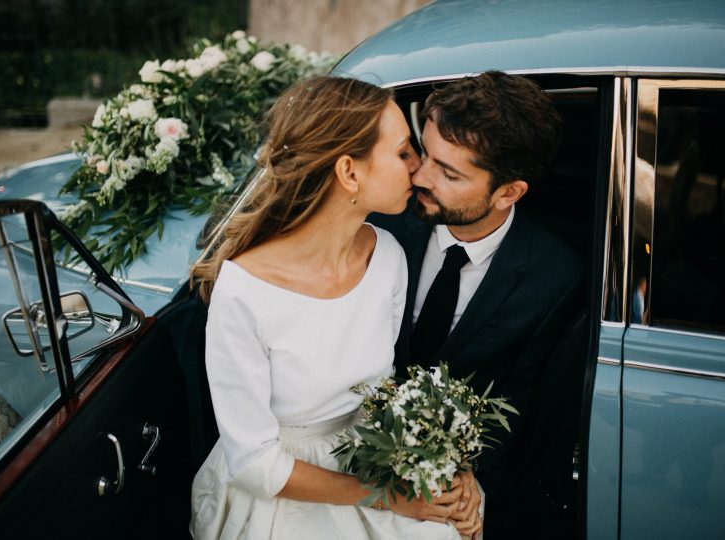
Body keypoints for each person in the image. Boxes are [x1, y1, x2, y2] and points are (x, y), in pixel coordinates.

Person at [189, 77, 483, 540]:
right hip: (287, 495)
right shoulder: (243, 291)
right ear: (350, 173)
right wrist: (390, 497)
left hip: (373, 457)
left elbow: (385, 394)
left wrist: (443, 476)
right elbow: (253, 462)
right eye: (404, 151)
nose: (419, 168)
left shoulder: (386, 253)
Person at [370, 71, 585, 538]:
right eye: (426, 153)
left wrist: (461, 475)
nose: (420, 176)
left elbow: (522, 400)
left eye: (449, 172)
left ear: (509, 192)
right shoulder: (379, 219)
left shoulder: (555, 276)